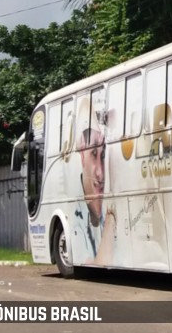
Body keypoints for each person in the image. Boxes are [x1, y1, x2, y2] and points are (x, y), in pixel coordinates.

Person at [72, 96, 116, 265]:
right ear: (82, 155)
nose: (100, 173)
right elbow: (92, 263)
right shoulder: (75, 215)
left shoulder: (107, 205)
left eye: (103, 155)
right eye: (94, 154)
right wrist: (112, 222)